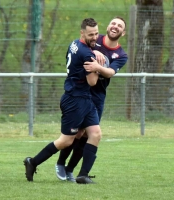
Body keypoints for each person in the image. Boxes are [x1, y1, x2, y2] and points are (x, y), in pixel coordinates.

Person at [23, 18, 104, 184]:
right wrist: (98, 67)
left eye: (96, 33)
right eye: (91, 34)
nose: (95, 37)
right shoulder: (86, 53)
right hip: (75, 100)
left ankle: (83, 175)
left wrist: (95, 56)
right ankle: (33, 162)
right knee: (66, 140)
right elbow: (92, 82)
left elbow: (84, 55)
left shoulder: (75, 44)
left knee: (95, 134)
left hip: (84, 99)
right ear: (82, 33)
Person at [55, 16, 128, 182]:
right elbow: (82, 47)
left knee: (90, 136)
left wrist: (98, 67)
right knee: (76, 133)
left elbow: (110, 73)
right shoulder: (95, 38)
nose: (115, 26)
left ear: (123, 33)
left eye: (120, 26)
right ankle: (60, 163)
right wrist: (94, 51)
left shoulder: (121, 55)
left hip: (97, 97)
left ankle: (71, 169)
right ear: (108, 26)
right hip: (82, 94)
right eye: (113, 23)